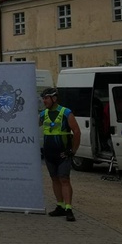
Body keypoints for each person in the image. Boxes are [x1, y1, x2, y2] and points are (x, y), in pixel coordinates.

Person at [40, 87, 81, 222]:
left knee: (64, 179)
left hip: (63, 153)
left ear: (54, 98)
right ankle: (60, 205)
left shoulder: (66, 113)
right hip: (49, 153)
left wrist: (73, 150)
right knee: (54, 179)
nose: (44, 101)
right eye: (43, 98)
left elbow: (77, 132)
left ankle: (68, 208)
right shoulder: (43, 114)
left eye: (46, 98)